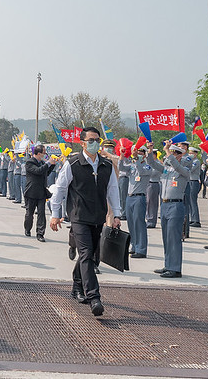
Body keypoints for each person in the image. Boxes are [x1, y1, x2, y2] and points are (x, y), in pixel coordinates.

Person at [49, 127, 121, 317]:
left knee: (86, 254)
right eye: (91, 140)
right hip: (79, 216)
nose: (94, 143)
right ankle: (94, 296)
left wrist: (117, 215)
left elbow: (113, 190)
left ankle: (77, 285)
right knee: (87, 254)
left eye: (97, 140)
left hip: (98, 216)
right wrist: (55, 214)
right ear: (82, 143)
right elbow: (60, 189)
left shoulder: (106, 165)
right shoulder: (72, 163)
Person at [148, 142, 190, 278]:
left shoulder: (183, 170)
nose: (169, 156)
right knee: (166, 237)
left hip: (176, 205)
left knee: (174, 238)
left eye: (173, 153)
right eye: (169, 152)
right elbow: (153, 164)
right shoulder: (167, 170)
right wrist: (149, 151)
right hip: (165, 205)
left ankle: (175, 268)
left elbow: (177, 167)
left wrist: (167, 151)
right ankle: (168, 264)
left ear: (179, 155)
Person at [118, 146, 152, 258]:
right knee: (131, 223)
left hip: (139, 197)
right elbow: (121, 167)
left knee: (139, 223)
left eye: (141, 152)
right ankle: (134, 246)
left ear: (145, 154)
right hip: (130, 197)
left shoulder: (147, 166)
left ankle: (141, 249)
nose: (138, 153)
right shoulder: (132, 165)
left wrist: (137, 158)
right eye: (137, 152)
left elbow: (141, 171)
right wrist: (122, 156)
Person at [24, 145, 52, 242]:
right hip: (31, 192)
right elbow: (38, 171)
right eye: (44, 152)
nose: (45, 154)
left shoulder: (43, 163)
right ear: (39, 153)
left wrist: (52, 165)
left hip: (41, 192)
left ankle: (40, 233)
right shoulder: (29, 162)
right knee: (29, 214)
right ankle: (27, 228)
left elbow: (45, 172)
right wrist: (48, 164)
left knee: (41, 214)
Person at [146, 149, 162, 228]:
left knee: (152, 203)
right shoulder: (147, 163)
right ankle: (148, 218)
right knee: (148, 203)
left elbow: (152, 173)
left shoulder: (158, 164)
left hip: (153, 183)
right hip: (147, 183)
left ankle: (151, 221)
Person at [186, 147, 203, 228]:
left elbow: (190, 170)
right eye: (189, 153)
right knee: (189, 201)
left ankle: (196, 220)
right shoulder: (191, 161)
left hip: (194, 181)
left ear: (196, 154)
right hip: (190, 181)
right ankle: (192, 219)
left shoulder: (196, 161)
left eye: (192, 153)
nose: (190, 154)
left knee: (193, 201)